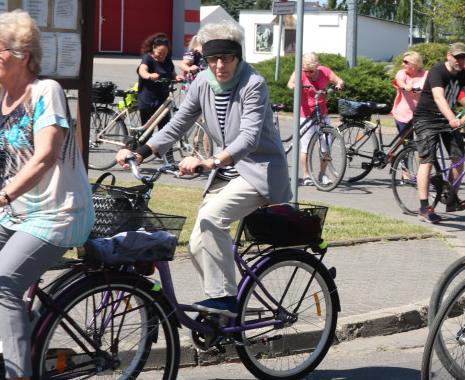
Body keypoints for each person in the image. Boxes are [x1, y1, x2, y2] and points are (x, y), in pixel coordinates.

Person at [0, 9, 94, 380]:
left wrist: (2, 193)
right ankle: (24, 330)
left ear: (24, 55)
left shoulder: (45, 91)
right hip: (16, 208)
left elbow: (47, 154)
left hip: (58, 211)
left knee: (2, 282)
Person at [117, 21, 292, 318]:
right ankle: (218, 309)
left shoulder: (253, 84)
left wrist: (210, 161)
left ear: (238, 57)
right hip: (227, 172)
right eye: (213, 59)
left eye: (227, 58)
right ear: (205, 59)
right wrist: (143, 151)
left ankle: (224, 299)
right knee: (197, 241)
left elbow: (249, 138)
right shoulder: (202, 83)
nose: (220, 65)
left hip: (258, 171)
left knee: (212, 218)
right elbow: (178, 123)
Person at [413, 42, 465, 223]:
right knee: (427, 161)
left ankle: (451, 199)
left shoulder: (462, 73)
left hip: (447, 120)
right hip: (426, 118)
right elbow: (438, 97)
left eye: (463, 57)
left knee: (458, 157)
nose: (460, 60)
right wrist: (452, 118)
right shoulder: (438, 71)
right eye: (457, 57)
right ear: (449, 56)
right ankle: (424, 207)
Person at [287, 53, 345, 186]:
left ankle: (322, 174)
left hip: (322, 112)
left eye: (311, 71)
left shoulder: (324, 71)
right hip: (305, 113)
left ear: (317, 66)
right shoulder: (300, 73)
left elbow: (339, 80)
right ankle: (306, 175)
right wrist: (294, 86)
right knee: (306, 145)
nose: (308, 74)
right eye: (305, 71)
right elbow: (290, 83)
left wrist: (339, 86)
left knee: (325, 145)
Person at [136, 32, 181, 129]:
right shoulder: (148, 58)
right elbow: (142, 70)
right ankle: (140, 144)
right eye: (159, 53)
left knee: (164, 129)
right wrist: (149, 75)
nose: (162, 56)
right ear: (153, 48)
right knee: (147, 131)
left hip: (163, 98)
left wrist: (177, 77)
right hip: (148, 99)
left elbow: (172, 72)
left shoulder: (167, 59)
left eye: (164, 53)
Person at [392, 50, 426, 141]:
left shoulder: (426, 74)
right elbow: (399, 81)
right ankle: (405, 155)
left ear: (414, 64)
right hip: (403, 115)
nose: (403, 64)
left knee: (425, 142)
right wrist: (405, 86)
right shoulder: (402, 73)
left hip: (420, 116)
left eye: (406, 62)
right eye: (403, 61)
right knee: (407, 144)